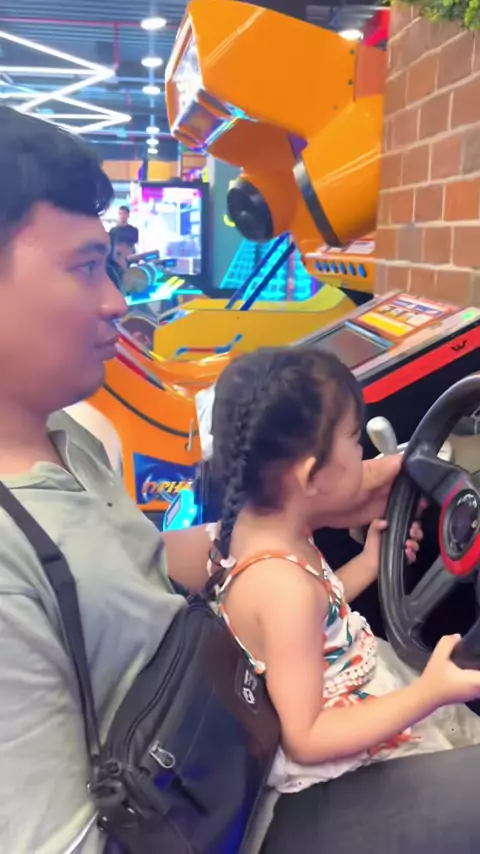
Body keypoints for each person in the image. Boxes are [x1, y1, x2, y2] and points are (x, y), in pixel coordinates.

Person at [0, 104, 414, 854]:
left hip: (238, 750)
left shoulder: (66, 441)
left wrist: (310, 508)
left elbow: (133, 571)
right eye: (85, 267)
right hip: (222, 818)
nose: (116, 302)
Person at [209, 347, 480, 797]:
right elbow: (307, 737)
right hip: (345, 752)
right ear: (311, 476)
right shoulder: (282, 587)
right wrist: (428, 693)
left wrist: (370, 563)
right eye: (355, 439)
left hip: (357, 685)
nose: (361, 452)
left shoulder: (262, 530)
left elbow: (318, 616)